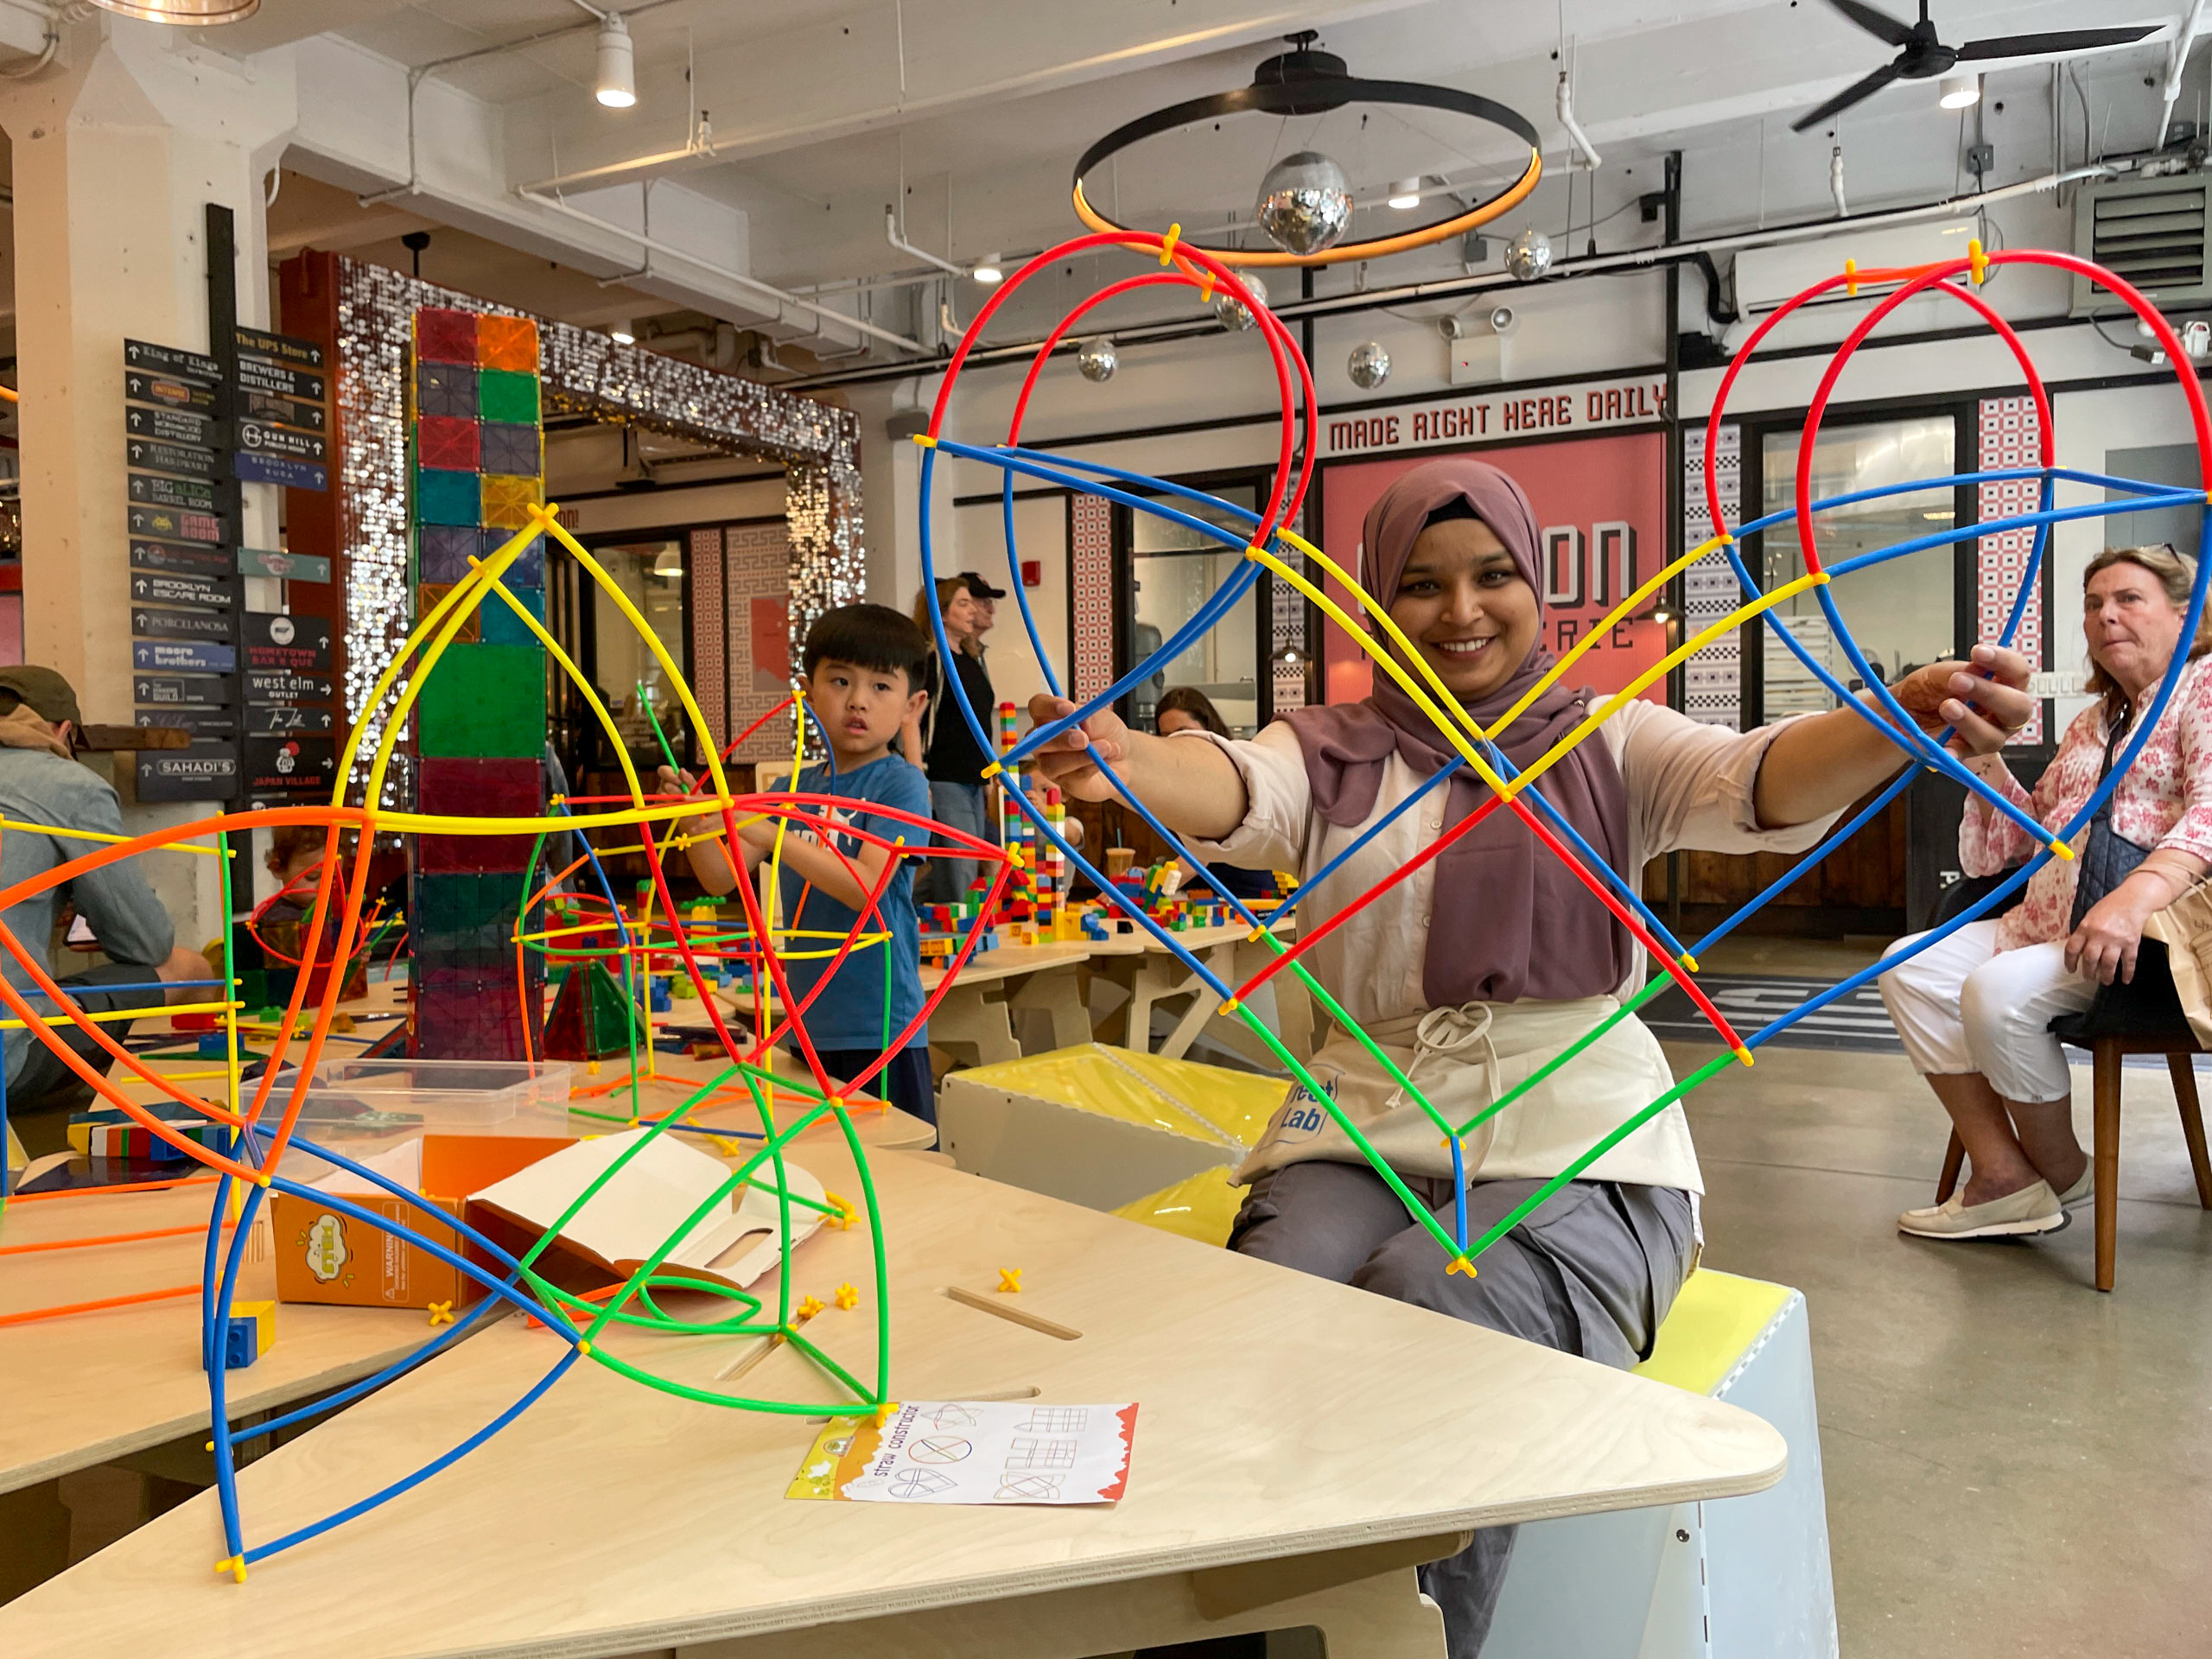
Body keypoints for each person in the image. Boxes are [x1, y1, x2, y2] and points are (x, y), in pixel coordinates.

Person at [1026, 458, 2033, 1656]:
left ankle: (1409, 1643)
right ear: (1372, 606)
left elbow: (1754, 775)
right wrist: (1127, 763)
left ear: (1536, 585)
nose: (1460, 611)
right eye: (1420, 584)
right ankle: (1245, 1623)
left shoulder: (1609, 741)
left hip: (1584, 1129)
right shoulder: (1332, 752)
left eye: (1491, 574)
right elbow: (1232, 782)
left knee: (1445, 1302)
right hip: (1368, 1114)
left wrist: (1894, 718)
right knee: (1275, 1296)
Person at [1879, 544, 2212, 1241]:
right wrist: (1984, 762)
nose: (2104, 615)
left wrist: (2135, 896)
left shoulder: (2203, 687)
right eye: (2094, 604)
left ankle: (2060, 1172)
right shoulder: (2096, 721)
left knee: (1994, 994)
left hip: (2147, 948)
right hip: (2050, 925)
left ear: (2184, 616)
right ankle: (2005, 1176)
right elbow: (2022, 843)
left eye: (2128, 599)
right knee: (1910, 967)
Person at [664, 604, 938, 1128]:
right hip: (808, 1023)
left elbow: (866, 888)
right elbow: (721, 876)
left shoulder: (901, 785)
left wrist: (771, 831)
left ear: (912, 705)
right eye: (839, 681)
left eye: (881, 686)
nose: (857, 700)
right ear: (808, 692)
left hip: (882, 1026)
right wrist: (694, 825)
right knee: (825, 1164)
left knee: (900, 1167)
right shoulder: (791, 789)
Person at [0, 666, 211, 1126]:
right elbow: (144, 944)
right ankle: (202, 1105)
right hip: (8, 1062)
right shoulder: (67, 785)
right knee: (190, 967)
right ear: (63, 731)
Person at [909, 572, 1005, 906]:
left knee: (960, 862)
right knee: (959, 866)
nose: (973, 611)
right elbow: (920, 722)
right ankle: (960, 937)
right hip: (945, 777)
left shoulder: (972, 659)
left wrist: (990, 769)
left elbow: (978, 722)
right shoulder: (933, 661)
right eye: (963, 604)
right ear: (941, 610)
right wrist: (920, 776)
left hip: (973, 778)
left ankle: (896, 905)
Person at [1154, 687, 1277, 904]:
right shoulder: (1180, 781)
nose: (1175, 742)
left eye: (1184, 731)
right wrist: (1147, 876)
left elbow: (1199, 857)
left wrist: (1143, 891)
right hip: (1201, 900)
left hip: (1248, 900)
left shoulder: (1224, 771)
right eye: (1166, 736)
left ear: (1208, 728)